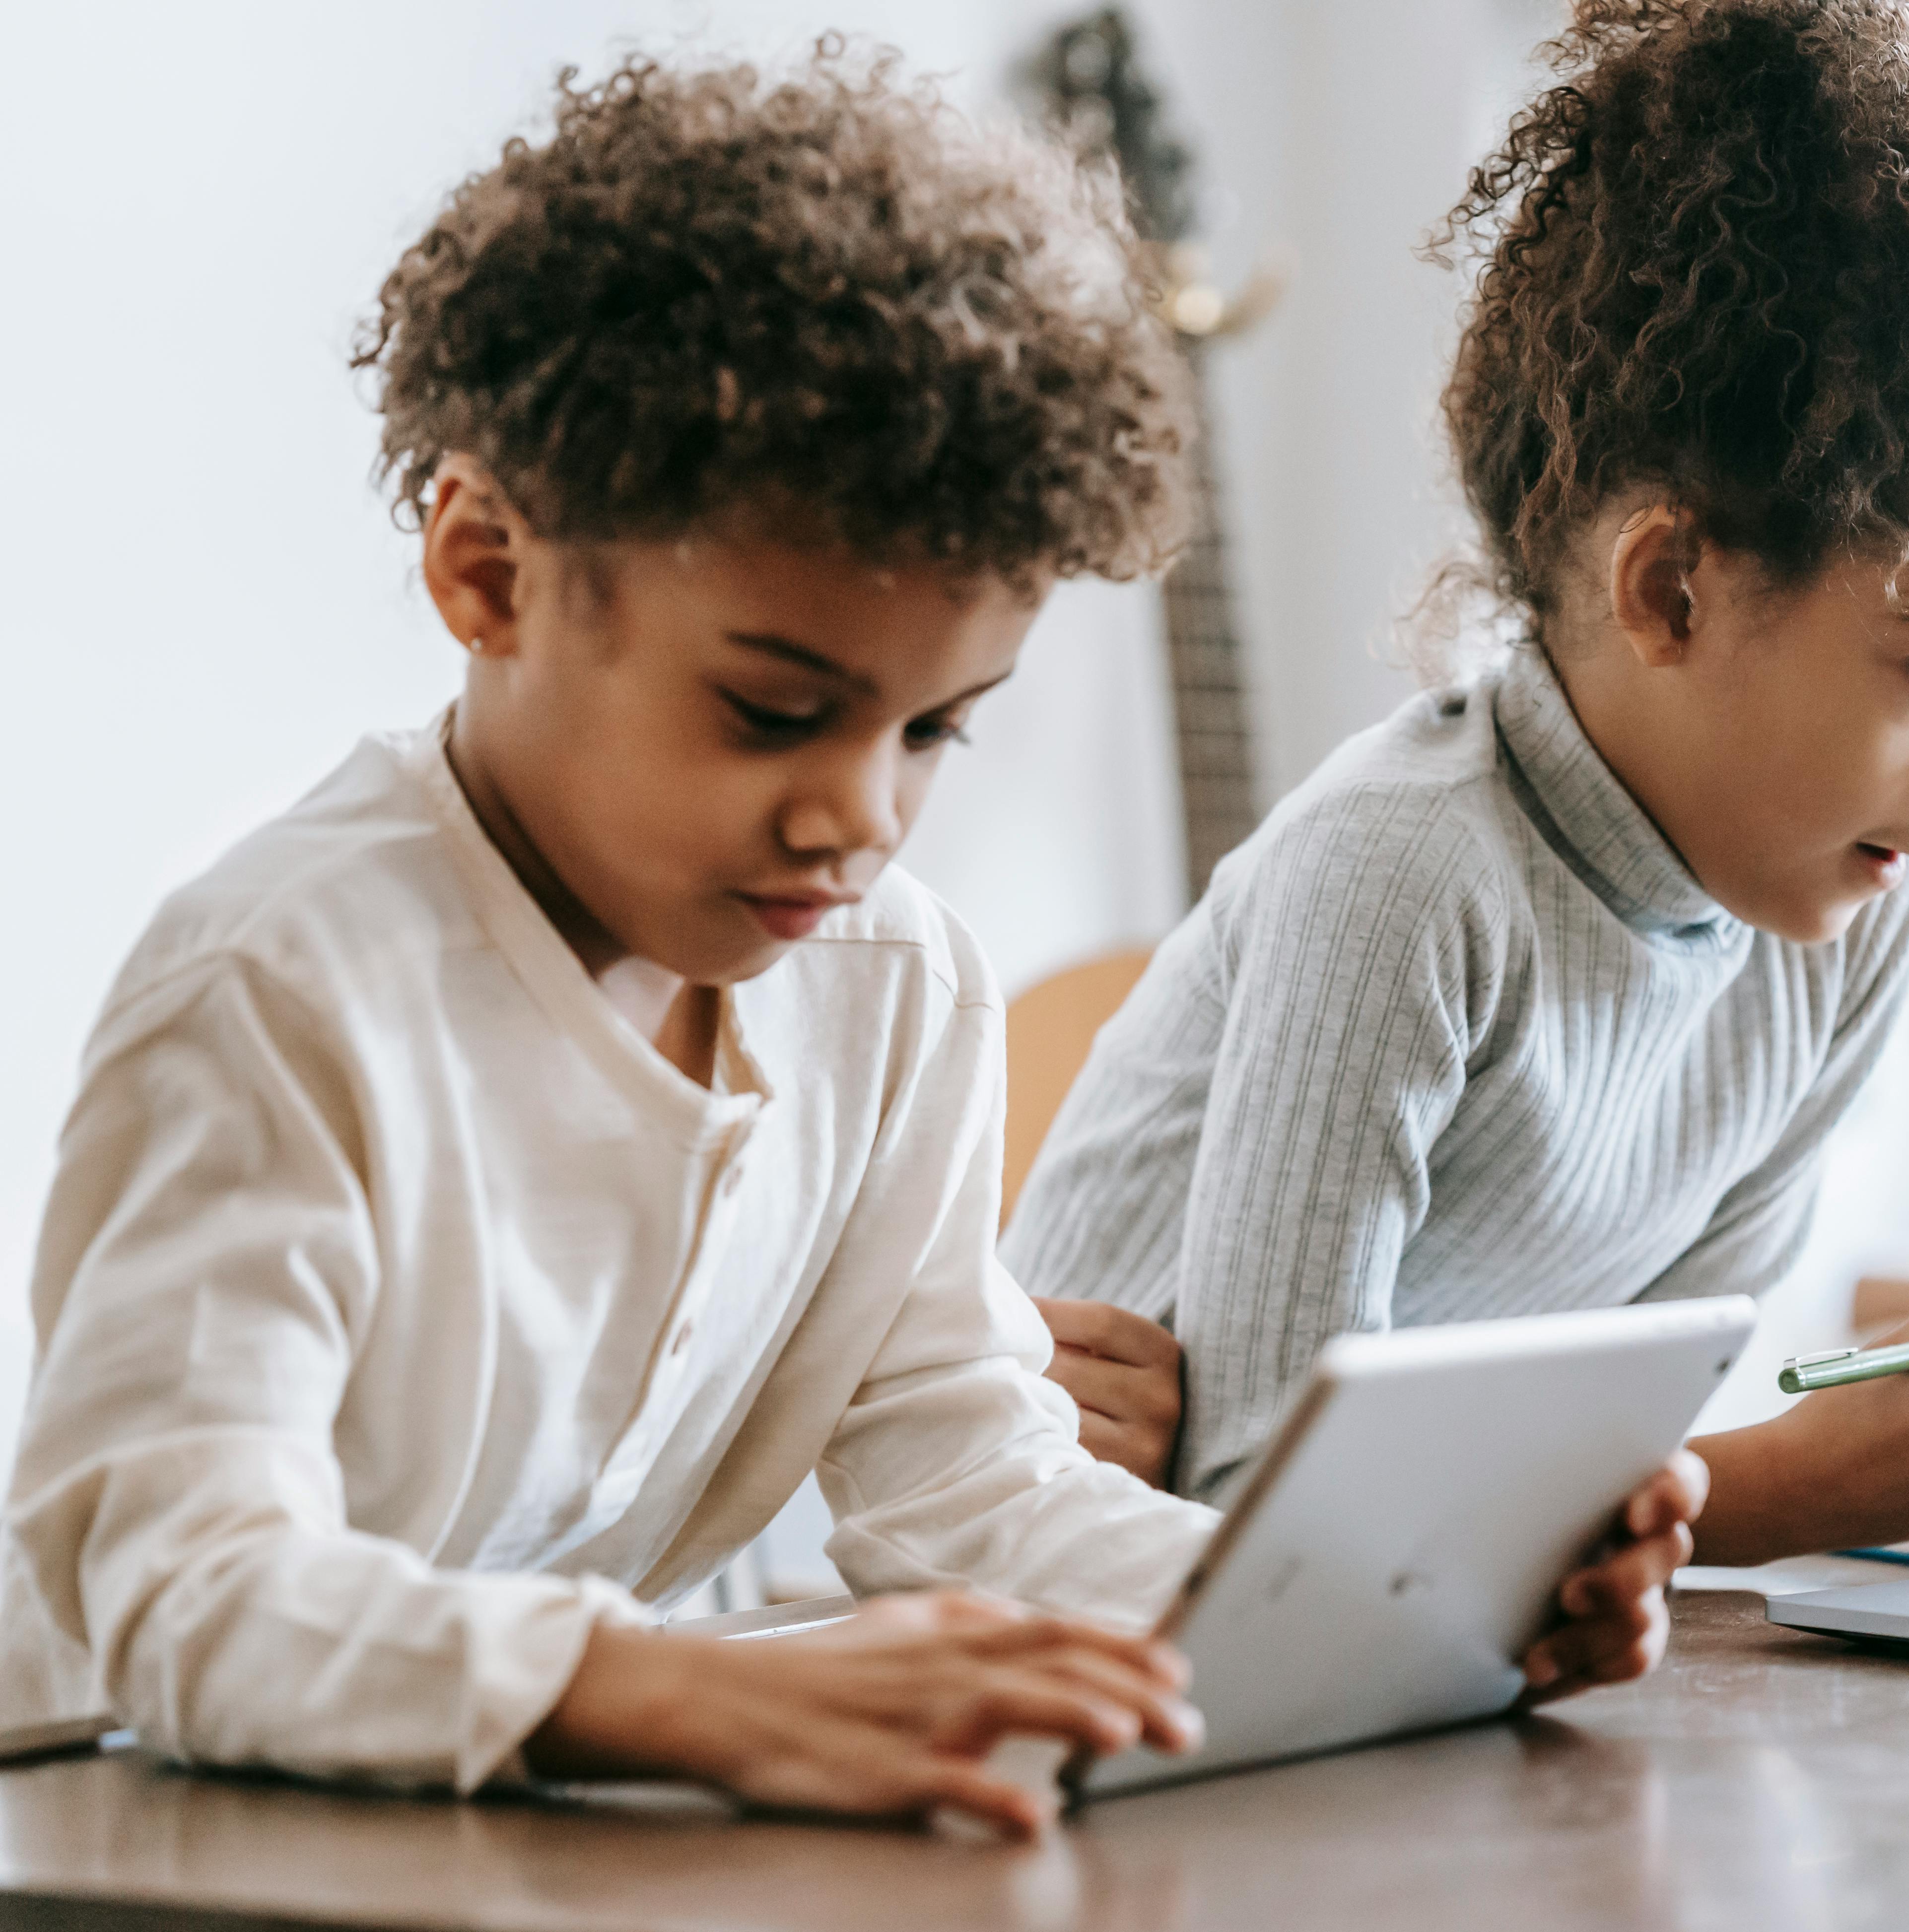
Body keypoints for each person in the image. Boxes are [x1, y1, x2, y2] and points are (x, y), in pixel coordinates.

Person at [0, 46, 1700, 1835]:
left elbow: (972, 1479)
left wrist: (1405, 1621)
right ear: (487, 572)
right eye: (771, 711)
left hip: (496, 1859)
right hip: (127, 1852)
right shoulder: (279, 992)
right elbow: (180, 1591)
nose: (860, 819)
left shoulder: (894, 990)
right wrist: (679, 1692)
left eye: (933, 730)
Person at [1009, 0, 1909, 1552]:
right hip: (1062, 1626)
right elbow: (1271, 1519)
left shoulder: (1842, 932)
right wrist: (1794, 1488)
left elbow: (1601, 1447)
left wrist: (1708, 1484)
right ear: (1672, 594)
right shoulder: (1403, 876)